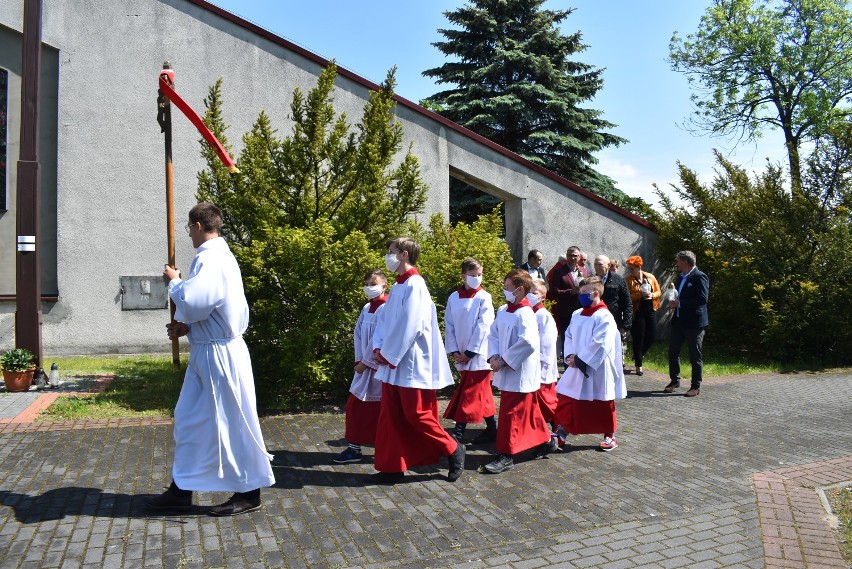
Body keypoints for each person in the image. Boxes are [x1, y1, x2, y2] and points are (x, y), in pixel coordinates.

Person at [146, 202, 275, 516]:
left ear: (197, 225)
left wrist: (174, 282)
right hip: (209, 351)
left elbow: (197, 300)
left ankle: (248, 492)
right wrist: (188, 326)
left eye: (189, 227)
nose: (188, 233)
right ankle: (182, 488)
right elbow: (213, 308)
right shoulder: (213, 257)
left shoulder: (213, 257)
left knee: (230, 422)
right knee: (191, 419)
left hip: (221, 355)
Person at [371, 237, 466, 483]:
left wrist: (386, 354)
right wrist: (378, 346)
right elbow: (385, 322)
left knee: (416, 414)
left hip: (410, 361)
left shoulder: (416, 285)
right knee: (391, 415)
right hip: (393, 360)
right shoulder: (398, 286)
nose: (387, 256)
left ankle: (454, 449)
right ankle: (393, 467)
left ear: (403, 254)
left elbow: (409, 325)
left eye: (390, 251)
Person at [482, 270, 558, 474]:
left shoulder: (526, 313)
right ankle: (545, 441)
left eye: (507, 287)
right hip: (506, 367)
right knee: (528, 412)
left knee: (511, 413)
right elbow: (493, 334)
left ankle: (506, 455)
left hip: (520, 371)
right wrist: (494, 356)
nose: (504, 290)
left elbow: (529, 343)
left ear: (519, 290)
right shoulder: (504, 309)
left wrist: (504, 360)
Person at [555, 276, 627, 451]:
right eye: (580, 293)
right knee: (568, 399)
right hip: (575, 365)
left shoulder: (605, 317)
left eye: (584, 293)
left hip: (598, 368)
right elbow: (569, 335)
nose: (581, 296)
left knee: (602, 402)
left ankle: (610, 436)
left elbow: (601, 343)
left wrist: (580, 359)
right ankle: (562, 432)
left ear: (595, 293)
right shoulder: (576, 314)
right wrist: (571, 356)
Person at [332, 269, 389, 464]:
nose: (369, 287)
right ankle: (354, 448)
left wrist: (366, 362)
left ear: (384, 285)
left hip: (379, 367)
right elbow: (358, 333)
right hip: (363, 367)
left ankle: (382, 447)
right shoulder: (366, 307)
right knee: (355, 407)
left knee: (382, 410)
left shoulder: (387, 308)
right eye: (367, 284)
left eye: (373, 284)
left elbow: (379, 338)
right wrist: (359, 360)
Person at [443, 258, 497, 445]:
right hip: (461, 354)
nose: (477, 278)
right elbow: (449, 325)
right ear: (463, 275)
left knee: (469, 394)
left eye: (480, 274)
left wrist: (470, 352)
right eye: (473, 275)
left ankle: (458, 433)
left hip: (479, 356)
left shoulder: (484, 297)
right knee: (482, 395)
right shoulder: (453, 297)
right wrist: (454, 351)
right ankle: (492, 430)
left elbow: (485, 326)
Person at [665, 251, 710, 397]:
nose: (676, 264)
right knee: (673, 352)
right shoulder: (680, 277)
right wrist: (673, 301)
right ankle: (674, 381)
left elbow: (702, 299)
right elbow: (679, 295)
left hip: (694, 324)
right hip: (679, 322)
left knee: (694, 355)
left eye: (678, 261)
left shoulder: (699, 276)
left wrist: (680, 303)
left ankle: (695, 386)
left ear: (685, 262)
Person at [527, 280, 559, 434]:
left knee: (546, 400)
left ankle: (556, 425)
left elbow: (547, 344)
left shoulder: (543, 316)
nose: (530, 295)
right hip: (529, 365)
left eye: (534, 293)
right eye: (528, 292)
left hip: (541, 366)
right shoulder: (527, 313)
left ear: (542, 297)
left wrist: (540, 361)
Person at [593, 255, 632, 373]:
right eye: (595, 264)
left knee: (613, 353)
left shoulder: (618, 280)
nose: (597, 266)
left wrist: (625, 325)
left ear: (608, 266)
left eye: (600, 264)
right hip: (594, 322)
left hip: (614, 322)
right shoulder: (591, 280)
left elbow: (627, 303)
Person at [624, 256, 661, 376]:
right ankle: (638, 365)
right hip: (637, 311)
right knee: (639, 337)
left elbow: (659, 292)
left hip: (650, 309)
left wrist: (652, 295)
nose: (630, 271)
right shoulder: (628, 280)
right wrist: (640, 294)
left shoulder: (650, 277)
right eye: (629, 269)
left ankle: (637, 354)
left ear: (639, 267)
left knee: (652, 336)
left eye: (632, 268)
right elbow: (627, 297)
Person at [548, 246, 587, 343]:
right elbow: (555, 291)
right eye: (570, 255)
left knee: (580, 338)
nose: (572, 258)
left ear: (579, 257)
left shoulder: (584, 271)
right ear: (566, 256)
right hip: (566, 311)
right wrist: (571, 291)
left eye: (575, 256)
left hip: (582, 310)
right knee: (567, 339)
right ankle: (566, 357)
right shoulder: (559, 271)